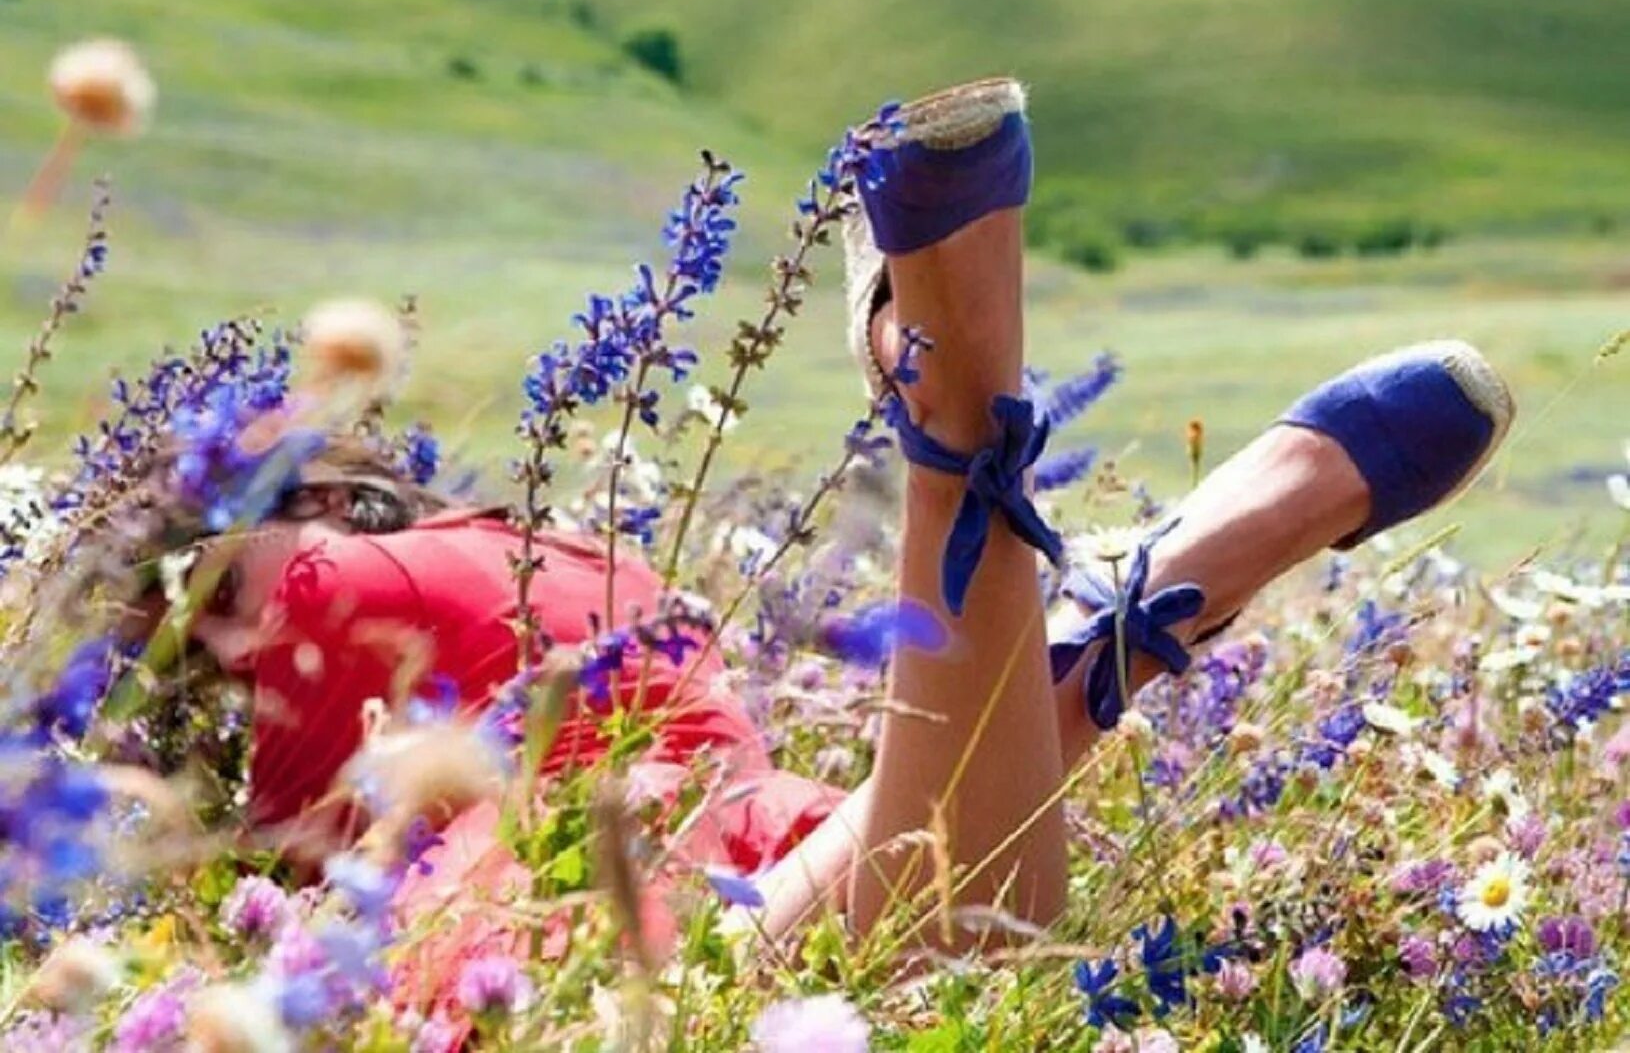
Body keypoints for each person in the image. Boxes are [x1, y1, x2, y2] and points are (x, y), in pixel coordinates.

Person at [165, 78, 1514, 966]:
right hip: (740, 791)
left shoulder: (278, 582)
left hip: (537, 850)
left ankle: (980, 485)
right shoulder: (542, 544)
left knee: (748, 989)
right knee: (923, 913)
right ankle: (1094, 608)